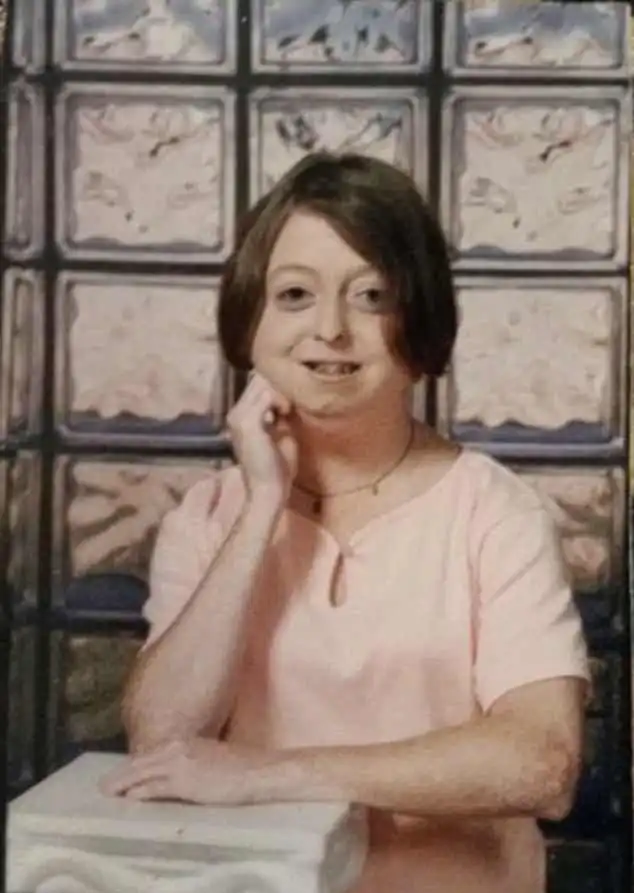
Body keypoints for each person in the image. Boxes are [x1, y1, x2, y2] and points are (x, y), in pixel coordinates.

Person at [102, 152, 590, 893]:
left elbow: (542, 763)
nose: (329, 328)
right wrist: (260, 508)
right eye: (295, 294)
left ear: (419, 324)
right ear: (250, 323)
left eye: (370, 296)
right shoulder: (208, 517)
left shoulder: (493, 511)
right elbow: (163, 742)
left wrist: (270, 774)